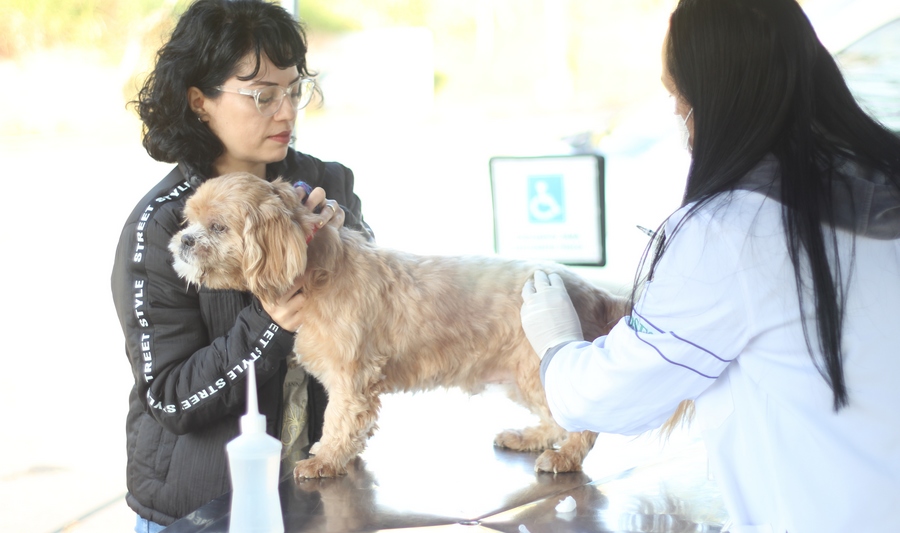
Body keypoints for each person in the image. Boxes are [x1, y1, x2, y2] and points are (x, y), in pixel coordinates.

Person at [520, 0, 900, 531]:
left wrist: (557, 343)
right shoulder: (881, 177)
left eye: (677, 95)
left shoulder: (732, 231)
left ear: (716, 97)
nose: (678, 113)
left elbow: (609, 396)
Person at [111, 1, 373, 530]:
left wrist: (345, 248)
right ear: (199, 101)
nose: (287, 113)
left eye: (294, 90)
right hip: (200, 508)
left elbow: (375, 321)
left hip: (319, 489)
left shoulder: (328, 186)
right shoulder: (163, 227)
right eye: (262, 96)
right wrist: (270, 322)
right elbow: (171, 399)